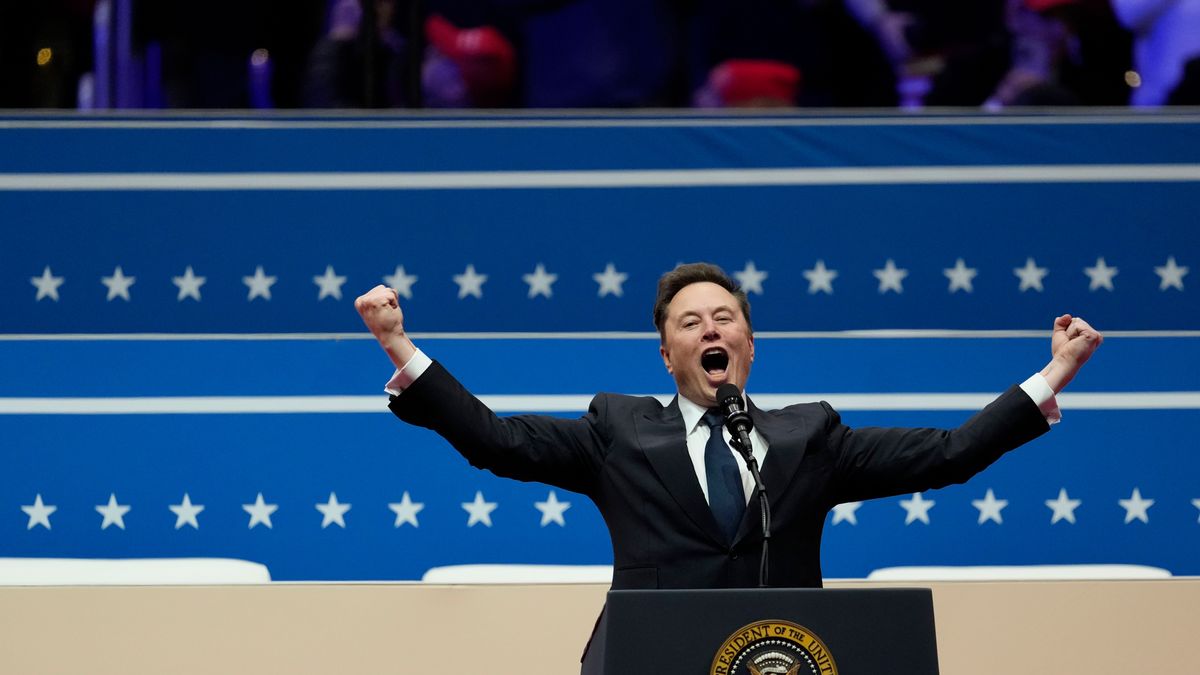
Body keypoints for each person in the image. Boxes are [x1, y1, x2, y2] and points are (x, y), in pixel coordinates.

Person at [354, 262, 1102, 670]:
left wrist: (1052, 375)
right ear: (667, 353)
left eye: (726, 318)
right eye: (691, 321)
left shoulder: (811, 435)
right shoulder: (615, 429)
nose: (711, 328)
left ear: (748, 344)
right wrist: (399, 346)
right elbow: (496, 440)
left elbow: (949, 454)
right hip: (650, 665)